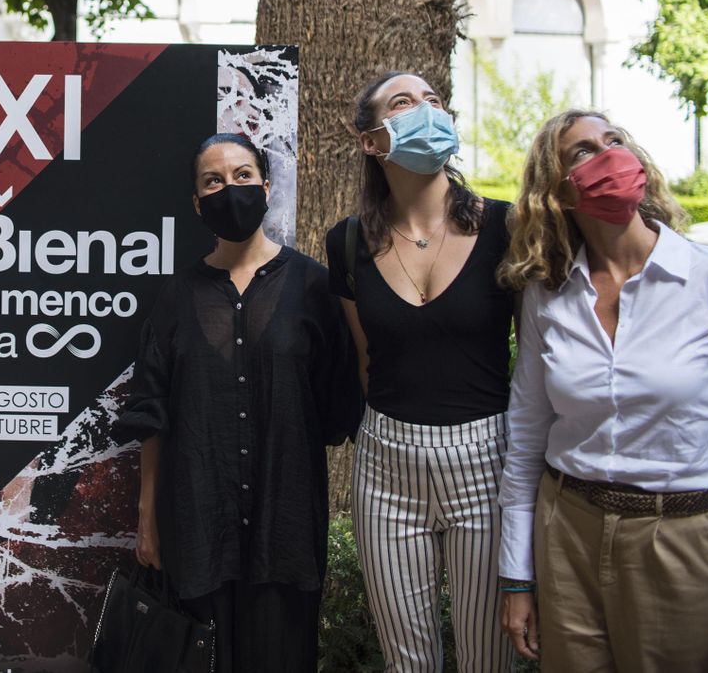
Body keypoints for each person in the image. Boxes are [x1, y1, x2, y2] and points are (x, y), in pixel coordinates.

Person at [495, 110, 708, 672]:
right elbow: (527, 436)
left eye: (615, 141)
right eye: (582, 152)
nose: (608, 155)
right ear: (556, 190)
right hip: (566, 534)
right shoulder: (548, 294)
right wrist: (518, 576)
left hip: (680, 538)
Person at [115, 133, 358, 672]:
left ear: (267, 187)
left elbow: (339, 402)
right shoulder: (176, 297)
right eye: (213, 181)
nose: (230, 189)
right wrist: (147, 516)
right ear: (197, 203)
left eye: (243, 176)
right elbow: (151, 413)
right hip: (198, 528)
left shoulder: (316, 287)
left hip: (286, 529)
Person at [324, 72, 515, 672]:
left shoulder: (506, 228)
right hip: (386, 464)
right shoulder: (347, 243)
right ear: (371, 140)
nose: (426, 110)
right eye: (403, 103)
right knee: (409, 664)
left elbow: (537, 359)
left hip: (486, 460)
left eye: (434, 100)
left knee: (489, 658)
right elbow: (365, 359)